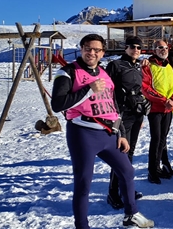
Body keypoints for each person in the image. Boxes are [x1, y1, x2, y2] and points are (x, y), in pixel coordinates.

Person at [51, 34, 154, 228]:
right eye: (88, 48)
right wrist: (88, 90)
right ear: (81, 49)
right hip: (83, 133)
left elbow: (113, 105)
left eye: (96, 50)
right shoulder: (67, 72)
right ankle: (82, 225)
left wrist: (121, 133)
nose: (92, 53)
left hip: (108, 133)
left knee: (127, 171)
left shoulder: (104, 73)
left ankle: (131, 213)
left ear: (102, 53)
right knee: (84, 183)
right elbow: (57, 104)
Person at [105, 36, 148, 209]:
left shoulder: (137, 66)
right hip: (121, 115)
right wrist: (113, 116)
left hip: (136, 114)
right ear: (126, 48)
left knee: (130, 155)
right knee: (121, 155)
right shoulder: (116, 65)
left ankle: (127, 190)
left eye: (139, 47)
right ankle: (113, 193)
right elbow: (108, 92)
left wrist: (142, 112)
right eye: (132, 47)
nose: (136, 50)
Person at [141, 40, 173, 185]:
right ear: (154, 50)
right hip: (156, 109)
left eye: (165, 47)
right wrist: (164, 100)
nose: (163, 50)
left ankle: (158, 167)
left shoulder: (169, 66)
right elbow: (146, 88)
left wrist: (172, 100)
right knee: (156, 139)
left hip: (168, 108)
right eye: (160, 48)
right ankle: (152, 170)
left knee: (163, 139)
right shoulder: (148, 66)